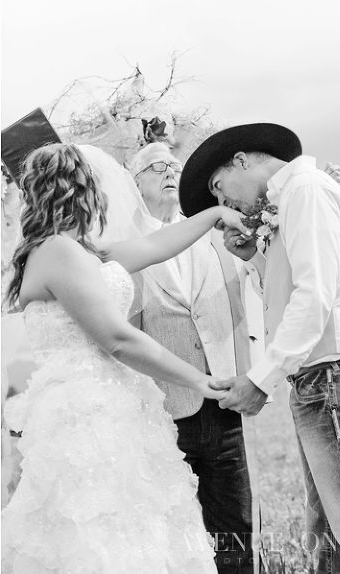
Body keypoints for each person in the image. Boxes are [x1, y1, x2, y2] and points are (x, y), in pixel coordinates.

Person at [1, 143, 251, 573]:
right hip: (85, 415)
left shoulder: (80, 252)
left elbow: (156, 245)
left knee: (136, 526)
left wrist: (213, 216)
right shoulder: (58, 251)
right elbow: (117, 339)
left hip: (115, 405)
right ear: (82, 191)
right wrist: (198, 380)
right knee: (101, 531)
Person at [179, 122, 340, 573]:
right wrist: (254, 257)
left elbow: (314, 296)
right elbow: (291, 291)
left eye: (218, 187)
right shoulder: (291, 201)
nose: (222, 202)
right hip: (322, 378)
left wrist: (259, 380)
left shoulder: (305, 190)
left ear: (241, 159)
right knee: (331, 539)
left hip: (335, 373)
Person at [118, 142, 256, 573]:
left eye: (174, 164)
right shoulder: (124, 242)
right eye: (155, 166)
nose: (169, 171)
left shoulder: (215, 234)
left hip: (222, 404)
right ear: (131, 182)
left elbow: (254, 291)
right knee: (171, 536)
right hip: (161, 414)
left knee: (235, 529)